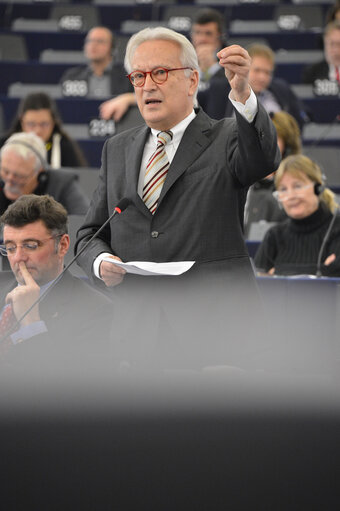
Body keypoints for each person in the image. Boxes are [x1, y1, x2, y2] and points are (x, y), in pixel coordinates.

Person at [0, 194, 112, 368]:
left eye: (30, 246)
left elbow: (66, 388)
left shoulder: (95, 309)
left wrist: (31, 322)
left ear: (63, 245)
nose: (18, 258)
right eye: (10, 248)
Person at [99, 9, 228, 121]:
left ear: (220, 37)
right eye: (198, 33)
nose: (202, 39)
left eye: (208, 34)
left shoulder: (229, 65)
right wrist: (128, 98)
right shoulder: (179, 60)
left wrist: (212, 67)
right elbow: (164, 91)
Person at [254, 154, 340, 277]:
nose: (291, 196)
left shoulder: (337, 228)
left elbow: (336, 273)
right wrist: (322, 270)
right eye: (283, 189)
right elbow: (257, 281)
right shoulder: (274, 236)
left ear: (318, 187)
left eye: (297, 186)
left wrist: (277, 271)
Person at [199, 43, 309, 129]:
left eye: (267, 73)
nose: (262, 77)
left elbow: (299, 122)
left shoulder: (281, 89)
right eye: (257, 70)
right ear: (244, 68)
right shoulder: (219, 89)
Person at [0, 132, 89, 215]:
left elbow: (83, 219)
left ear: (40, 172)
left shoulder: (62, 183)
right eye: (5, 171)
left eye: (19, 175)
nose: (9, 179)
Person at [244, 111, 302, 237]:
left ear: (287, 147)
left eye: (273, 138)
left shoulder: (297, 182)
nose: (264, 143)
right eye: (260, 137)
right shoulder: (244, 176)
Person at [0, 92, 87, 168]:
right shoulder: (5, 145)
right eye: (31, 124)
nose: (38, 130)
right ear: (22, 122)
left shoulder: (65, 148)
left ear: (53, 123)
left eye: (44, 124)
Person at [302, 20, 340, 86]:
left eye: (339, 44)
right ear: (325, 45)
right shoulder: (312, 72)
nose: (336, 50)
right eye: (332, 44)